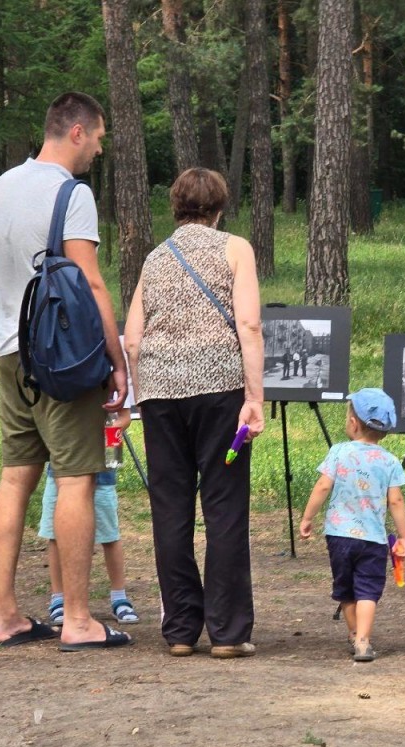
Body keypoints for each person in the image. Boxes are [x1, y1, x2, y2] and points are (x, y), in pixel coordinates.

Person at [0, 92, 132, 651]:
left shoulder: (1, 186)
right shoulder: (73, 193)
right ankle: (80, 620)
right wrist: (117, 361)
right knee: (76, 480)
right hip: (63, 360)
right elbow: (89, 283)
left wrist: (5, 338)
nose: (98, 147)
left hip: (11, 352)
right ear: (75, 132)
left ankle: (5, 615)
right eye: (97, 136)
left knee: (15, 476)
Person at [124, 167, 265, 659]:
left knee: (171, 508)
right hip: (221, 391)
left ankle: (181, 628)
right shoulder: (235, 248)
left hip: (161, 395)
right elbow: (247, 322)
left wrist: (143, 396)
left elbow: (134, 337)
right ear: (220, 206)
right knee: (224, 506)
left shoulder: (155, 258)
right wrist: (255, 397)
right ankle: (227, 632)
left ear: (176, 206)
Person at [299, 388, 405, 662]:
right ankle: (363, 640)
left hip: (339, 537)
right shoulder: (389, 461)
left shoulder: (338, 453)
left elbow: (323, 486)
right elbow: (396, 501)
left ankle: (352, 633)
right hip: (373, 539)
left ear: (352, 423)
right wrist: (404, 537)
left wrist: (308, 517)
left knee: (346, 589)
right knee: (368, 590)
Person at [39, 407, 139, 627]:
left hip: (102, 471)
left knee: (110, 536)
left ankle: (119, 597)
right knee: (56, 536)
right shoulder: (56, 378)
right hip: (60, 471)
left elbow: (123, 416)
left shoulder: (107, 380)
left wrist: (109, 429)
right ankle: (58, 599)